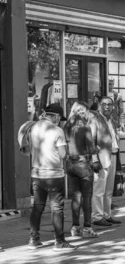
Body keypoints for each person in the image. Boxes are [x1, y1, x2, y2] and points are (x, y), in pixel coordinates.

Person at [27, 104, 75, 251]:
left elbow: (28, 149)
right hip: (54, 175)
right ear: (55, 116)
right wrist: (67, 154)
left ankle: (33, 239)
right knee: (57, 208)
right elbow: (62, 155)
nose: (59, 120)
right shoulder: (57, 130)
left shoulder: (33, 128)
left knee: (37, 208)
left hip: (37, 174)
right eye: (59, 118)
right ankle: (59, 242)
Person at [63, 101, 98, 239]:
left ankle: (75, 227)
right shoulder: (85, 127)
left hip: (70, 164)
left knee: (75, 197)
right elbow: (91, 148)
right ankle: (87, 228)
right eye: (86, 111)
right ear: (83, 112)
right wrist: (97, 149)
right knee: (87, 197)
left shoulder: (67, 126)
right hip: (83, 163)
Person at [90, 97, 121, 227]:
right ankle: (97, 216)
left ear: (113, 106)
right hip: (101, 158)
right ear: (99, 106)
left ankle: (106, 215)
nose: (107, 107)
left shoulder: (112, 121)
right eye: (104, 105)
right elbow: (91, 141)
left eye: (109, 104)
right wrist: (94, 159)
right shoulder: (95, 120)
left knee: (108, 190)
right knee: (99, 189)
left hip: (112, 155)